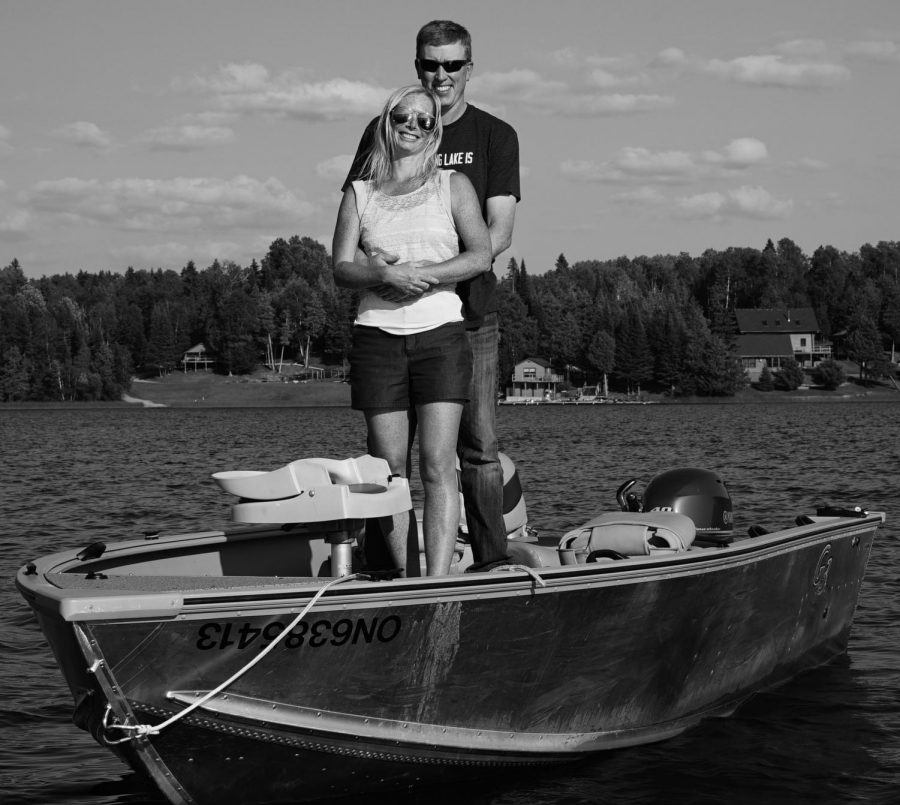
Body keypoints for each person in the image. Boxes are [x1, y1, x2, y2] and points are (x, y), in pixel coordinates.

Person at [344, 20, 521, 572]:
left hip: (468, 316)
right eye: (429, 64)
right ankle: (392, 570)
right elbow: (361, 221)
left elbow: (497, 234)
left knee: (477, 449)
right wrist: (383, 275)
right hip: (389, 325)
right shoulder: (384, 133)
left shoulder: (495, 135)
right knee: (390, 458)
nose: (439, 76)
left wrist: (430, 276)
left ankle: (490, 566)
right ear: (417, 65)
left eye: (451, 65)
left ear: (470, 68)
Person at [332, 85, 492, 576]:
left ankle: (438, 583)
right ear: (388, 119)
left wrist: (423, 275)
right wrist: (382, 275)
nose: (413, 126)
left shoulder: (453, 185)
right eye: (405, 115)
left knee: (439, 466)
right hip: (377, 340)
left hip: (441, 337)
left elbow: (480, 254)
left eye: (425, 120)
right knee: (390, 472)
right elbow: (341, 267)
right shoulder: (360, 192)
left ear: (435, 130)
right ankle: (406, 579)